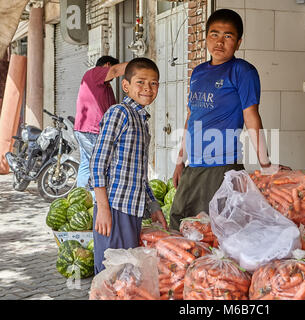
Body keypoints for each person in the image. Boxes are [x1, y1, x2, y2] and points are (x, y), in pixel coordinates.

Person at [169, 9, 289, 230]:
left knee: (215, 231)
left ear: (238, 42)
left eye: (228, 36)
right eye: (214, 34)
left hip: (220, 166)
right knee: (179, 227)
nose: (219, 42)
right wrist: (180, 162)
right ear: (205, 37)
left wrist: (265, 163)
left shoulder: (242, 71)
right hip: (192, 167)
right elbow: (191, 117)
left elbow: (251, 116)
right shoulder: (198, 72)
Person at [90, 57, 167, 274]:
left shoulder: (141, 121)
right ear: (126, 86)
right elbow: (97, 162)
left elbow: (140, 176)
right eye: (140, 82)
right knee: (110, 275)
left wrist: (153, 206)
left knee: (126, 277)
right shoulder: (119, 113)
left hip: (132, 212)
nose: (147, 88)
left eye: (153, 83)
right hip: (114, 210)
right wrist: (103, 208)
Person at [74, 55, 129, 189]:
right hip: (91, 131)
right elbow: (115, 71)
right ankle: (96, 201)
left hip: (85, 129)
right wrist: (140, 64)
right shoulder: (95, 73)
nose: (114, 77)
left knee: (87, 164)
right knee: (100, 166)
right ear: (107, 65)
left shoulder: (103, 86)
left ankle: (82, 197)